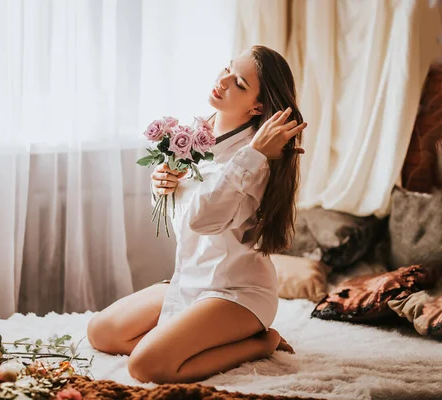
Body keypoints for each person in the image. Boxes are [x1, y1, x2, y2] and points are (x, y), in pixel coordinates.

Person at [87, 45, 307, 384]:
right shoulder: (196, 137)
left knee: (147, 366)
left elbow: (201, 220)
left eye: (239, 83)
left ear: (257, 106)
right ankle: (187, 340)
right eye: (227, 69)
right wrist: (162, 185)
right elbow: (183, 215)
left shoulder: (259, 160)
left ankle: (263, 341)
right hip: (192, 277)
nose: (223, 81)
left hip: (236, 291)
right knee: (101, 332)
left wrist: (253, 154)